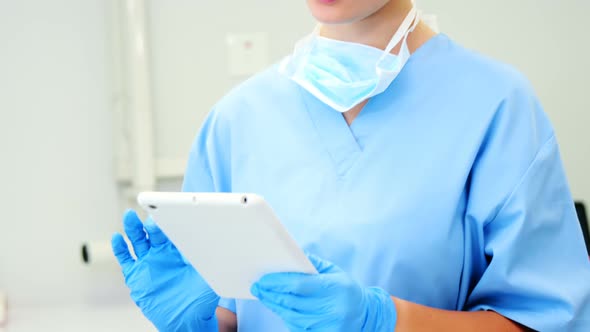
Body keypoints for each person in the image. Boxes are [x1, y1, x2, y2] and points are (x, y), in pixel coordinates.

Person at [111, 0, 590, 331]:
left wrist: (385, 323)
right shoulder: (237, 120)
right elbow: (239, 315)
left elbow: (543, 325)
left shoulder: (496, 107)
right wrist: (201, 326)